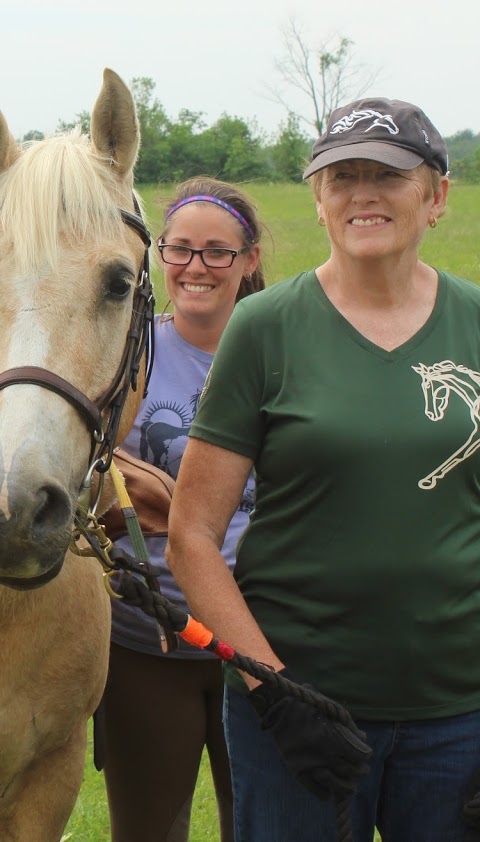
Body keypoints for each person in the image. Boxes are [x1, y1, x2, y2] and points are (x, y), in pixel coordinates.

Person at [166, 97, 480, 841]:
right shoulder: (266, 326)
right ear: (317, 197)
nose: (362, 194)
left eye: (387, 175)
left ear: (435, 196)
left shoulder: (475, 320)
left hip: (459, 717)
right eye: (341, 177)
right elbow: (193, 536)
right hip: (299, 710)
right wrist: (276, 694)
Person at [100, 178, 263, 842]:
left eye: (218, 252)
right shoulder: (126, 350)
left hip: (260, 637)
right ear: (156, 255)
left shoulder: (277, 352)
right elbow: (83, 451)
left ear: (249, 260)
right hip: (147, 637)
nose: (196, 267)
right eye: (180, 249)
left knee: (263, 824)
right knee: (147, 829)